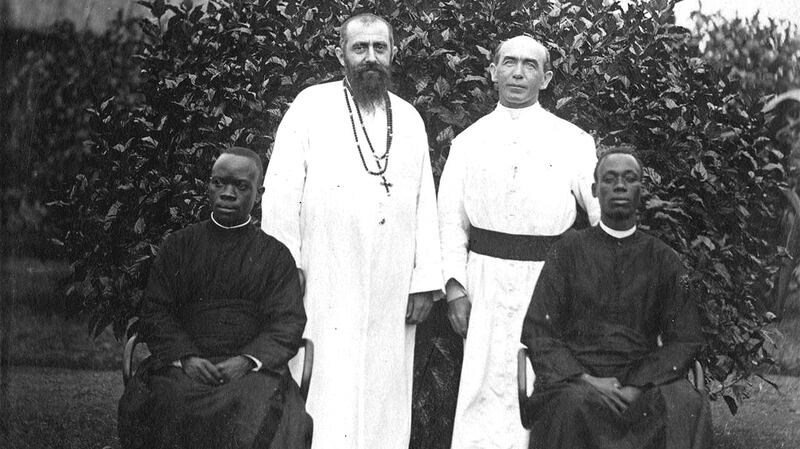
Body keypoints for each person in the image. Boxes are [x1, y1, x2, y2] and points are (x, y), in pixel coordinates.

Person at [261, 13, 443, 449]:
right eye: (360, 47)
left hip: (391, 282)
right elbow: (282, 192)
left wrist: (423, 281)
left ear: (393, 53)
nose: (370, 57)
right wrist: (286, 267)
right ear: (340, 53)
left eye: (380, 47)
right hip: (324, 274)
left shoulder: (409, 119)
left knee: (385, 383)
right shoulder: (310, 106)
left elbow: (425, 204)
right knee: (325, 379)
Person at [438, 35, 600, 449]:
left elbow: (600, 213)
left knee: (543, 382)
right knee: (483, 386)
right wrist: (455, 289)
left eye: (530, 65)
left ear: (546, 78)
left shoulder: (573, 141)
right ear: (493, 72)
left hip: (549, 283)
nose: (518, 73)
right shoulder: (468, 141)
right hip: (485, 282)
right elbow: (450, 222)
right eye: (509, 62)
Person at [118, 147, 312, 449]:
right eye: (218, 183)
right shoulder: (179, 246)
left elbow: (287, 322)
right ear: (208, 186)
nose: (227, 194)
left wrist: (246, 361)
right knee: (165, 399)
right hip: (182, 368)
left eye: (241, 186)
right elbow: (156, 311)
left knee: (258, 407)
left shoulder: (275, 256)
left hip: (249, 372)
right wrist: (186, 358)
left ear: (258, 195)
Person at [520, 148, 712, 449]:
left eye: (629, 178)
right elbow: (539, 331)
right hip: (578, 378)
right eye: (609, 179)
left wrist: (639, 385)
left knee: (683, 403)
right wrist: (586, 379)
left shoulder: (663, 258)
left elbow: (685, 338)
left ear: (641, 191)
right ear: (595, 190)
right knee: (569, 405)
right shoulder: (567, 252)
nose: (619, 186)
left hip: (644, 377)